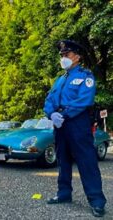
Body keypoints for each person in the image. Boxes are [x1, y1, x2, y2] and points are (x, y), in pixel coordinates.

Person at [43, 40, 106, 217]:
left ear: (77, 57)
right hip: (59, 125)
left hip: (77, 123)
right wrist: (51, 114)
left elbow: (84, 100)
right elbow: (49, 100)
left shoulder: (86, 76)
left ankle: (97, 201)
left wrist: (64, 114)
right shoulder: (60, 79)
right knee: (62, 160)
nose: (63, 58)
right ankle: (64, 194)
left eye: (67, 54)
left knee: (87, 161)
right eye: (62, 55)